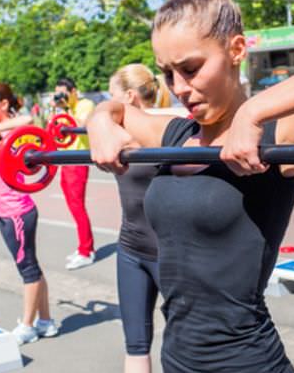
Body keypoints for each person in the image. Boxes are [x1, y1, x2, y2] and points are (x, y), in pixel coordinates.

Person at [88, 0, 294, 372]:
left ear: (236, 50)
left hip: (247, 362)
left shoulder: (278, 137)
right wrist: (99, 120)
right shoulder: (177, 137)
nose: (181, 88)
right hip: (177, 361)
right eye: (168, 74)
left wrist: (253, 113)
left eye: (192, 69)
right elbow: (118, 111)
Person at [0, 83, 58, 345]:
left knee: (28, 270)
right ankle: (46, 322)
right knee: (32, 267)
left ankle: (27, 326)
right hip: (4, 211)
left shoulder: (18, 128)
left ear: (4, 104)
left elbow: (29, 119)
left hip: (17, 211)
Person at [108, 64, 171, 373]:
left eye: (112, 97)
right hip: (130, 250)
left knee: (187, 346)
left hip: (171, 256)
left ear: (130, 97)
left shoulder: (172, 128)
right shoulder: (115, 135)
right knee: (135, 346)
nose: (108, 105)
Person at [53, 78, 97, 270]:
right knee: (72, 206)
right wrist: (57, 109)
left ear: (73, 92)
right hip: (65, 160)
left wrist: (66, 109)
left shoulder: (85, 104)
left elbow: (80, 126)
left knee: (78, 206)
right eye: (58, 94)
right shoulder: (62, 109)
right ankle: (83, 247)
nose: (60, 97)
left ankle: (86, 251)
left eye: (63, 93)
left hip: (78, 159)